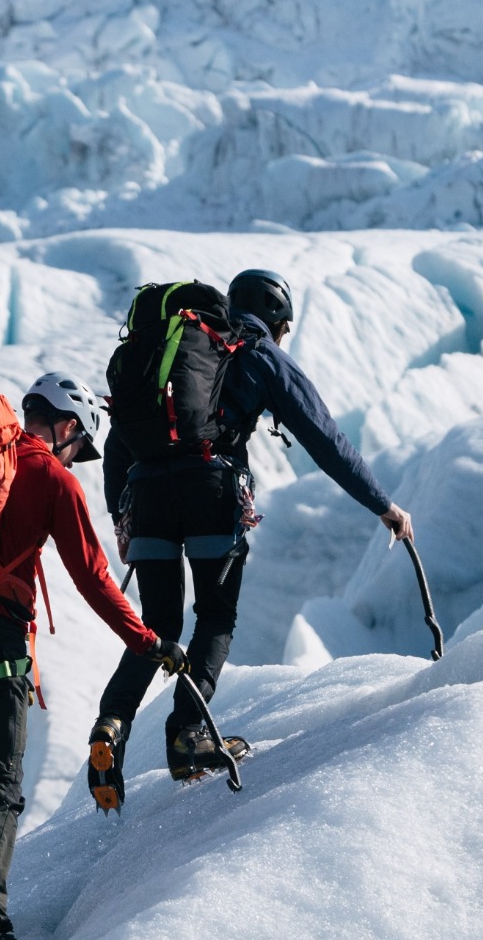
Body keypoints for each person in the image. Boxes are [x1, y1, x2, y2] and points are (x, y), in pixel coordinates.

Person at [89, 269, 414, 803]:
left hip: (147, 497)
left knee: (157, 625)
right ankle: (187, 737)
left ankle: (110, 727)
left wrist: (123, 518)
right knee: (215, 616)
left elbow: (121, 442)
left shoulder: (166, 352)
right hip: (212, 490)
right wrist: (382, 504)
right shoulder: (257, 350)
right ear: (278, 320)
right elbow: (324, 437)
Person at [0, 375, 180, 940]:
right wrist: (147, 641)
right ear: (64, 425)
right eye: (79, 442)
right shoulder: (49, 477)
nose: (76, 455)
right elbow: (92, 576)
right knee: (3, 782)